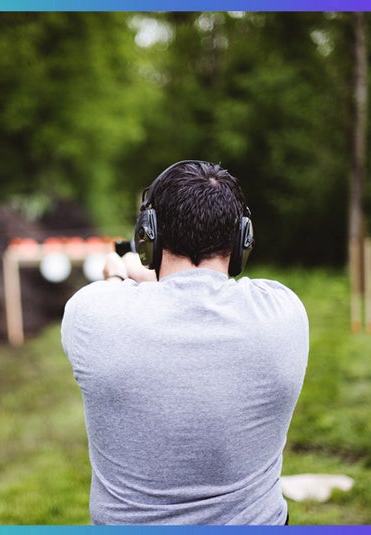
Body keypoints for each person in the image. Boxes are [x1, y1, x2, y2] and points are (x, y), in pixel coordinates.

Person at [61, 160, 309, 525]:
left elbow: (132, 296)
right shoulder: (284, 311)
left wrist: (119, 273)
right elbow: (204, 292)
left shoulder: (91, 313)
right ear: (242, 239)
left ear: (150, 235)